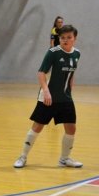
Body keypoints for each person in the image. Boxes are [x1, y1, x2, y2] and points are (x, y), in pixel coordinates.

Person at [13, 24, 83, 169]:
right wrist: (46, 91)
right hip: (48, 97)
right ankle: (22, 157)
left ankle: (64, 159)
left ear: (74, 38)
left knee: (71, 128)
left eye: (69, 37)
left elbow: (71, 73)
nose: (65, 40)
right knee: (37, 127)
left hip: (65, 98)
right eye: (62, 38)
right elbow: (41, 73)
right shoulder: (53, 52)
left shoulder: (77, 54)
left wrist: (70, 88)